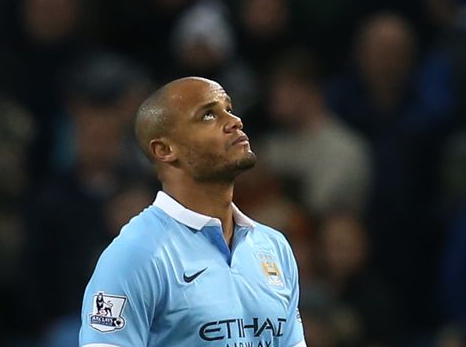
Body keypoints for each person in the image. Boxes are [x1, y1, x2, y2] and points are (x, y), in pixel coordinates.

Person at [79, 77, 306, 346]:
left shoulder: (273, 246)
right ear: (165, 149)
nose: (234, 121)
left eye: (229, 109)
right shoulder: (135, 254)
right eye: (209, 115)